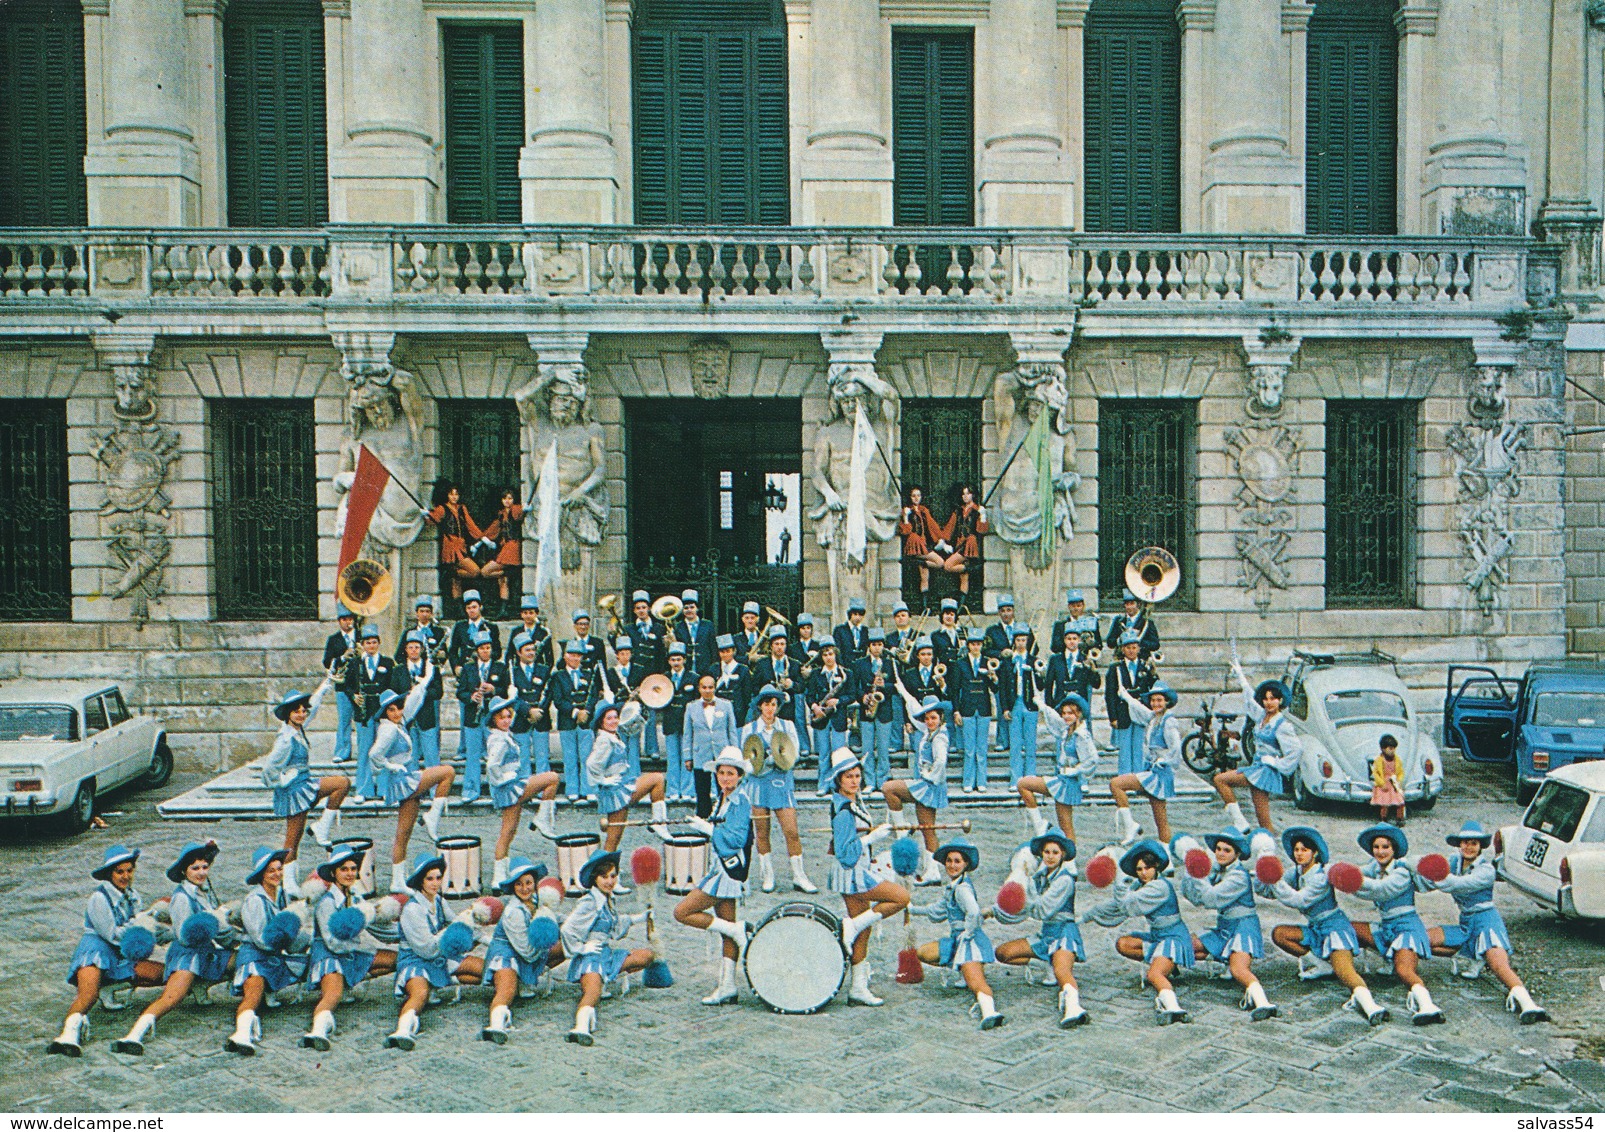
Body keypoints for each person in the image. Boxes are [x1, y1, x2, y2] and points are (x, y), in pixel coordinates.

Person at [1257, 826, 1390, 1024]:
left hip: (1335, 928)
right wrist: (1264, 866)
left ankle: (1371, 1006)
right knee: (1279, 934)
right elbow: (1267, 892)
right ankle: (1320, 965)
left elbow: (1298, 900)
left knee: (1345, 972)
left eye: (1304, 850)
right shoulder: (1297, 872)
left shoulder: (1321, 875)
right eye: (1296, 850)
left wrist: (1276, 881)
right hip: (1315, 928)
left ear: (1315, 852)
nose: (1300, 854)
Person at [112, 841, 235, 1055]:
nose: (201, 872)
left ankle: (199, 985)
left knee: (242, 959)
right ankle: (133, 1036)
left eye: (204, 867)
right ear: (184, 871)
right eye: (195, 868)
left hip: (204, 951)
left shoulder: (202, 891)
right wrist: (216, 919)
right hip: (188, 955)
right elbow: (185, 936)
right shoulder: (181, 897)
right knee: (171, 998)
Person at [1425, 821, 1548, 1023]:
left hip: (1486, 922)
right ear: (1459, 844)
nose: (1468, 847)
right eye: (1465, 842)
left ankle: (1528, 1005)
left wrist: (1434, 876)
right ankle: (1470, 957)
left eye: (1474, 843)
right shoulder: (1453, 861)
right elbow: (1427, 875)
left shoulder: (1486, 870)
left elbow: (1458, 884)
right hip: (1466, 922)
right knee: (1422, 940)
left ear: (1481, 846)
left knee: (1499, 965)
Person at [49, 846, 163, 1057]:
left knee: (157, 973)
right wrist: (142, 921)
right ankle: (67, 1035)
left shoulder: (132, 895)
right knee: (88, 996)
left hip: (119, 953)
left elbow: (136, 926)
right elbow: (111, 934)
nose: (125, 876)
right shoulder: (99, 898)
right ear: (110, 873)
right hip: (97, 950)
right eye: (119, 872)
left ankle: (109, 987)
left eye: (129, 871)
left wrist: (152, 918)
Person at [825, 748, 911, 1006]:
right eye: (848, 776)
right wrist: (870, 838)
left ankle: (858, 987)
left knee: (864, 930)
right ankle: (850, 927)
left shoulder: (852, 802)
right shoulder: (843, 811)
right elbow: (846, 854)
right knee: (901, 897)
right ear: (839, 780)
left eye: (857, 775)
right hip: (852, 874)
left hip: (856, 872)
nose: (854, 780)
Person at [675, 746, 758, 1006]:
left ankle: (737, 929)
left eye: (730, 773)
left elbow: (735, 839)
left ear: (740, 775)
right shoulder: (722, 797)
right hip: (720, 867)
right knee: (727, 934)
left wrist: (708, 829)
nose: (725, 778)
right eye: (721, 773)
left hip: (729, 869)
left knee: (682, 912)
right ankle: (728, 986)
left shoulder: (740, 800)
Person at [386, 851, 486, 1051]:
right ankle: (403, 1030)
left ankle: (444, 982)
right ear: (420, 881)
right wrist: (455, 928)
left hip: (439, 957)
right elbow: (427, 949)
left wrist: (482, 932)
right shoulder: (413, 909)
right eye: (429, 878)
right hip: (417, 960)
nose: (435, 883)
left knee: (486, 970)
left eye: (438, 877)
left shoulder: (438, 901)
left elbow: (455, 921)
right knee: (419, 994)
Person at [1348, 823, 1446, 1025]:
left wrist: (1351, 880)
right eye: (1376, 847)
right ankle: (1332, 966)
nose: (1380, 851)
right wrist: (1336, 872)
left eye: (1385, 847)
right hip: (1387, 928)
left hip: (1406, 928)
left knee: (1404, 971)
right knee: (1346, 928)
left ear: (1394, 850)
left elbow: (1380, 890)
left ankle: (1428, 1006)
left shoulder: (1401, 872)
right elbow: (1359, 873)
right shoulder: (1374, 867)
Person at [301, 843, 396, 1050]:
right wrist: (356, 944)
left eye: (353, 869)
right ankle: (317, 1031)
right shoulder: (326, 902)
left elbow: (375, 928)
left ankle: (348, 982)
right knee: (332, 995)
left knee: (395, 959)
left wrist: (402, 934)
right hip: (329, 955)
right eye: (344, 869)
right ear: (334, 873)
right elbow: (333, 943)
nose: (350, 873)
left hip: (350, 953)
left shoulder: (356, 897)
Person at [372, 655, 454, 891]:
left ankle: (397, 881)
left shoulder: (398, 723)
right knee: (447, 772)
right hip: (403, 779)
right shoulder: (388, 730)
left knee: (403, 832)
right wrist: (389, 767)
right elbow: (373, 755)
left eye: (398, 708)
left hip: (406, 777)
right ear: (384, 712)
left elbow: (415, 699)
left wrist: (427, 677)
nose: (397, 712)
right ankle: (432, 816)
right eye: (392, 709)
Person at [1178, 831, 1279, 1021]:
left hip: (1243, 928)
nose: (1220, 853)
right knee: (1186, 946)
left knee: (1238, 970)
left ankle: (1264, 1003)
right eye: (1217, 849)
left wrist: (1199, 875)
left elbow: (1210, 898)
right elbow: (1194, 898)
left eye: (1227, 850)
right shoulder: (1218, 870)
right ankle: (1222, 956)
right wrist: (1191, 870)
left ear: (1237, 854)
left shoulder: (1239, 877)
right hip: (1225, 927)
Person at [560, 851, 656, 1045]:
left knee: (646, 956)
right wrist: (582, 948)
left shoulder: (607, 899)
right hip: (591, 957)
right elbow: (568, 929)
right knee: (592, 993)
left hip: (606, 954)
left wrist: (639, 918)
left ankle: (605, 979)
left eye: (613, 876)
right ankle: (580, 1028)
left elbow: (614, 925)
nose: (610, 881)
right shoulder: (589, 902)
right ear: (594, 878)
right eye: (604, 877)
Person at [994, 831, 1089, 1028]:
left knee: (1063, 972)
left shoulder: (1065, 880)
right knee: (1003, 953)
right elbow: (1023, 910)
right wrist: (999, 908)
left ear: (1063, 854)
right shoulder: (1040, 877)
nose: (1050, 856)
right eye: (1047, 852)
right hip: (1046, 934)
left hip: (1064, 932)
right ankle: (1047, 963)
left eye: (1055, 852)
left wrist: (1024, 891)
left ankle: (1074, 1008)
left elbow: (1041, 909)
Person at [263, 681, 347, 896]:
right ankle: (288, 882)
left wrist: (326, 684)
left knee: (342, 783)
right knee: (293, 838)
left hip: (306, 784)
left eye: (302, 711)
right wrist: (280, 781)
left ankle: (322, 827)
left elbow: (314, 706)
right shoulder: (286, 738)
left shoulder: (298, 728)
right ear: (287, 714)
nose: (301, 714)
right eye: (296, 711)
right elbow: (269, 768)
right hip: (294, 791)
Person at [1096, 839, 1194, 1025]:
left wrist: (1117, 878)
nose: (1143, 873)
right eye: (1139, 869)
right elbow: (1119, 908)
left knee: (1153, 975)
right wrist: (1091, 915)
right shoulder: (1140, 885)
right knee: (1123, 943)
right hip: (1158, 936)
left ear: (1156, 866)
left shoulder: (1159, 887)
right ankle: (1166, 965)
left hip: (1173, 937)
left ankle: (1174, 1007)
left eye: (1147, 868)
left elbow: (1127, 903)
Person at [911, 839, 1005, 1029]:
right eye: (949, 861)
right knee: (923, 952)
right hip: (957, 939)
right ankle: (962, 969)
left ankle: (990, 1012)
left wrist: (968, 932)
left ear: (966, 864)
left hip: (969, 941)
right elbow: (938, 910)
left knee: (977, 984)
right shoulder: (954, 885)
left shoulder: (962, 889)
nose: (952, 865)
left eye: (957, 861)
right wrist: (912, 909)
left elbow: (974, 911)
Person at [225, 847, 301, 1055]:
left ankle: (271, 991)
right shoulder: (254, 901)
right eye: (271, 871)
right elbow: (261, 939)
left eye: (279, 869)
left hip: (274, 954)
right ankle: (241, 1034)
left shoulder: (283, 895)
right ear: (261, 875)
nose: (277, 874)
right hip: (255, 955)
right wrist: (284, 940)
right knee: (252, 995)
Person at [741, 685, 816, 894]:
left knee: (791, 831)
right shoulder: (749, 729)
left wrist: (779, 759)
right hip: (758, 784)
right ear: (760, 706)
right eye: (766, 704)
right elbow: (745, 759)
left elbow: (795, 754)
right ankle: (767, 875)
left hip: (781, 782)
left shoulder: (788, 725)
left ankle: (799, 876)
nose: (770, 709)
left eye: (774, 704)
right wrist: (761, 763)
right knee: (762, 832)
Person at [1215, 663, 1304, 833]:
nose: (1269, 702)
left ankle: (1240, 822)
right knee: (1264, 820)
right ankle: (1267, 844)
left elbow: (1296, 750)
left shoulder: (1282, 725)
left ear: (1281, 701)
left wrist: (1275, 762)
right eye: (1266, 698)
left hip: (1265, 771)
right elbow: (1249, 699)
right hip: (1257, 767)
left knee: (1220, 780)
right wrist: (1240, 677)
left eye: (1273, 699)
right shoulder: (1262, 716)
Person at [482, 856, 562, 1042]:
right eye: (519, 884)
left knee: (565, 946)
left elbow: (553, 917)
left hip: (525, 951)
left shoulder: (536, 900)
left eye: (528, 883)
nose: (525, 888)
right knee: (506, 991)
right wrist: (548, 937)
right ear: (513, 887)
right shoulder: (513, 912)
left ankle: (525, 981)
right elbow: (526, 950)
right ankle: (496, 1024)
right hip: (507, 955)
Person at [486, 694, 563, 884]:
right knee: (552, 778)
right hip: (510, 786)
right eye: (501, 717)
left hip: (511, 785)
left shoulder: (504, 736)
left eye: (508, 716)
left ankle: (499, 876)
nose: (506, 720)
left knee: (508, 831)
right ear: (494, 720)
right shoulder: (499, 739)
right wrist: (503, 780)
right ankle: (542, 819)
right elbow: (491, 766)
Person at [588, 702, 671, 858]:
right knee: (612, 841)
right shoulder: (604, 740)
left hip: (621, 787)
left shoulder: (612, 737)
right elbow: (591, 764)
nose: (614, 721)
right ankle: (600, 874)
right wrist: (603, 781)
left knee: (614, 839)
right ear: (601, 722)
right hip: (616, 792)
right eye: (609, 719)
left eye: (616, 717)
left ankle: (659, 822)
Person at [886, 690, 951, 885]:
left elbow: (941, 760)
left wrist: (930, 777)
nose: (929, 721)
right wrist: (903, 690)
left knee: (889, 789)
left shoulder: (939, 737)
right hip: (927, 784)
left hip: (930, 785)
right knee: (927, 829)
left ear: (940, 718)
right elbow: (913, 704)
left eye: (933, 717)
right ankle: (933, 872)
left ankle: (902, 830)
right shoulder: (929, 732)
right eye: (927, 718)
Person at [1018, 694, 1100, 840]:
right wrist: (1041, 705)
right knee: (1023, 784)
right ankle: (1040, 825)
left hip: (1069, 782)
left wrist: (1075, 770)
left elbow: (1092, 759)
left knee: (1066, 827)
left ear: (1079, 714)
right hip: (1061, 779)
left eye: (1070, 713)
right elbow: (1053, 718)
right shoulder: (1066, 729)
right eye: (1064, 713)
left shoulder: (1081, 735)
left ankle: (1068, 858)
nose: (1066, 716)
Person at [1109, 682, 1182, 844]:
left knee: (1117, 784)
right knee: (1159, 817)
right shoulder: (1154, 718)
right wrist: (1126, 696)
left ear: (1167, 702)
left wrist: (1164, 760)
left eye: (1159, 700)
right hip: (1151, 769)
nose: (1156, 704)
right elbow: (1139, 708)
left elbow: (1176, 748)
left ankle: (1133, 828)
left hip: (1161, 772)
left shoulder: (1168, 722)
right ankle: (1135, 829)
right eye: (1153, 700)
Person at [342, 623, 394, 801]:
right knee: (364, 750)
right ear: (362, 645)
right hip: (363, 713)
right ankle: (363, 790)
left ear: (379, 643)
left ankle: (384, 788)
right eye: (367, 643)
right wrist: (354, 696)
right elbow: (346, 685)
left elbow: (392, 687)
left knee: (383, 750)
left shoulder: (387, 662)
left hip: (382, 712)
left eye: (374, 642)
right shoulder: (355, 663)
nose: (371, 646)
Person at [457, 629, 509, 802]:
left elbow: (508, 690)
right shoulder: (468, 668)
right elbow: (460, 692)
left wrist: (494, 690)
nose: (485, 651)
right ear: (476, 651)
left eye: (488, 648)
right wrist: (471, 697)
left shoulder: (500, 668)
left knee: (496, 756)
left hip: (493, 719)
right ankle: (471, 790)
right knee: (472, 756)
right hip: (474, 717)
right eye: (482, 648)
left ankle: (498, 791)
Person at [683, 670, 739, 817]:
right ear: (699, 688)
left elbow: (731, 731)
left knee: (725, 788)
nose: (707, 690)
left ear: (715, 688)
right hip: (701, 754)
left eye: (710, 687)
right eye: (704, 687)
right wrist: (687, 756)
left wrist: (735, 754)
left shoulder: (726, 705)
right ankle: (703, 819)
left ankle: (724, 817)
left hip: (722, 753)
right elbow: (688, 734)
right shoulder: (691, 707)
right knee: (702, 790)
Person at [550, 639, 599, 801]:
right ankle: (572, 788)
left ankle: (588, 788)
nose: (575, 658)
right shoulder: (558, 676)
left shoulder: (589, 674)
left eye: (578, 655)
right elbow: (558, 700)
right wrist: (575, 712)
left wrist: (587, 711)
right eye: (572, 655)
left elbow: (592, 696)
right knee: (570, 757)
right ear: (565, 656)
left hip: (585, 721)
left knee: (587, 757)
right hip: (567, 721)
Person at [852, 628, 899, 793]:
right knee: (867, 749)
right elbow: (854, 687)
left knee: (884, 748)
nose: (877, 648)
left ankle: (883, 780)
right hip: (867, 711)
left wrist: (883, 686)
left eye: (880, 644)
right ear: (869, 646)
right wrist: (862, 697)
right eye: (874, 645)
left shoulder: (890, 663)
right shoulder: (860, 664)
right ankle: (869, 781)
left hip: (884, 710)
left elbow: (896, 687)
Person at [998, 625, 1045, 784]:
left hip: (1030, 705)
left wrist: (1038, 672)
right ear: (1014, 641)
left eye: (1024, 640)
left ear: (1028, 641)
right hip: (1014, 705)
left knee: (1030, 743)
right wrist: (1005, 708)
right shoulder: (1008, 661)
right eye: (1018, 640)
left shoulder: (1033, 660)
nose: (1021, 643)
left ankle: (1030, 777)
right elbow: (1002, 688)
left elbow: (1040, 686)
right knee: (1016, 744)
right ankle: (1015, 778)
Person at [393, 627, 443, 769]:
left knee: (432, 757)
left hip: (426, 717)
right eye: (410, 647)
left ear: (421, 649)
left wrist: (420, 693)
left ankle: (435, 791)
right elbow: (394, 693)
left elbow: (438, 692)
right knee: (410, 758)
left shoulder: (431, 669)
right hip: (407, 720)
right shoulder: (398, 671)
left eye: (417, 647)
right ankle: (413, 790)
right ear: (406, 650)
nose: (414, 650)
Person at [1104, 631, 1154, 775]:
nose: (1131, 651)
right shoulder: (1116, 668)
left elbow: (1152, 688)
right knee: (1125, 748)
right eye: (1128, 647)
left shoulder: (1145, 667)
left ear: (1139, 649)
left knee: (1138, 747)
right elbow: (1110, 695)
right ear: (1122, 649)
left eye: (1134, 647)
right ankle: (1124, 779)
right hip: (1123, 712)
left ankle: (1138, 778)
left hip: (1139, 711)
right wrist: (1112, 717)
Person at [946, 630, 990, 790]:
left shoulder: (988, 662)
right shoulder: (960, 664)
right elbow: (955, 689)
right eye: (973, 644)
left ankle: (982, 782)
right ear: (968, 646)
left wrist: (993, 677)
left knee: (982, 748)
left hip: (983, 708)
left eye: (979, 644)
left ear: (982, 645)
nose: (976, 647)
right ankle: (968, 782)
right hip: (967, 708)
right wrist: (956, 711)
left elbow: (995, 687)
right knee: (969, 749)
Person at [428, 480, 487, 599]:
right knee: (474, 571)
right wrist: (427, 514)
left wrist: (482, 537)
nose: (454, 497)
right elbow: (432, 521)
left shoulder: (462, 508)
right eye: (451, 494)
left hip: (461, 544)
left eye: (456, 494)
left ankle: (458, 610)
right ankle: (450, 573)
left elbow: (470, 525)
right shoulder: (442, 508)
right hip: (450, 544)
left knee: (457, 580)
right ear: (447, 495)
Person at [660, 643, 701, 803]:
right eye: (673, 659)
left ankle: (688, 790)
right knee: (672, 757)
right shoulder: (663, 678)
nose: (676, 663)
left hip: (687, 722)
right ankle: (672, 791)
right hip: (670, 722)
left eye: (679, 659)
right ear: (669, 661)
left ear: (684, 660)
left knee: (687, 756)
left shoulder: (693, 677)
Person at [508, 632, 552, 778]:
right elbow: (512, 697)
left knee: (542, 757)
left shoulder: (544, 670)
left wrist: (538, 712)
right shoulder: (511, 672)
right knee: (522, 757)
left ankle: (543, 788)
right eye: (527, 650)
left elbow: (549, 693)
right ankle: (526, 789)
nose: (531, 653)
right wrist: (527, 711)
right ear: (518, 652)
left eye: (533, 649)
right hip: (521, 719)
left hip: (541, 719)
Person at [321, 605, 359, 767]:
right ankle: (342, 752)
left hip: (360, 683)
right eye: (344, 619)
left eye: (350, 619)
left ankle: (366, 750)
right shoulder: (334, 639)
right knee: (344, 719)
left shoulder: (362, 636)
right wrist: (342, 657)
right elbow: (326, 662)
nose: (347, 622)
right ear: (339, 621)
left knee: (362, 720)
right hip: (343, 685)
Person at [805, 641, 854, 765]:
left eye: (831, 654)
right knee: (823, 755)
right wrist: (815, 707)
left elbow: (852, 695)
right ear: (821, 657)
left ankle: (838, 783)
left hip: (839, 718)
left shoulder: (847, 673)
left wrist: (838, 701)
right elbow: (809, 696)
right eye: (825, 655)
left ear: (835, 654)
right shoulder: (815, 674)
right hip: (821, 718)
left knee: (839, 754)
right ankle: (823, 784)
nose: (828, 657)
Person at [604, 636, 645, 776]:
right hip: (619, 711)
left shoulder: (639, 669)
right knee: (620, 744)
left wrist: (638, 692)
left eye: (627, 653)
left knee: (634, 745)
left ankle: (634, 776)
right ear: (617, 655)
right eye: (622, 653)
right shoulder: (611, 672)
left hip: (634, 711)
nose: (625, 656)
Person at [899, 485, 949, 598]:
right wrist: (906, 517)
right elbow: (906, 531)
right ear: (910, 497)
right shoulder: (907, 511)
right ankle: (917, 561)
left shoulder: (923, 510)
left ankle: (924, 606)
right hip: (914, 544)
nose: (916, 498)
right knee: (940, 562)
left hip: (924, 544)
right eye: (913, 496)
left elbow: (932, 526)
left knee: (924, 576)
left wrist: (941, 540)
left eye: (918, 495)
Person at [1043, 625, 1101, 716]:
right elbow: (1048, 684)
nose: (1072, 642)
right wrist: (1050, 707)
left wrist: (1092, 670)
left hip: (1079, 705)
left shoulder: (1086, 658)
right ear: (1064, 640)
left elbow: (1096, 684)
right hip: (1060, 704)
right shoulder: (1055, 659)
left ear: (1079, 640)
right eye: (1069, 639)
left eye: (1074, 638)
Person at [940, 484, 987, 595]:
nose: (965, 496)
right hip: (959, 544)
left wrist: (983, 516)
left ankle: (972, 568)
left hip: (970, 545)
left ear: (973, 495)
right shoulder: (958, 511)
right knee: (963, 578)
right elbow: (949, 527)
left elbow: (982, 530)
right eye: (963, 494)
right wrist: (943, 540)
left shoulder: (977, 510)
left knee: (948, 566)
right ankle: (962, 605)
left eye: (968, 493)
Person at [480, 488, 524, 606]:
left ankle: (508, 572)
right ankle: (503, 609)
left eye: (510, 498)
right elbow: (492, 529)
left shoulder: (514, 509)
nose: (507, 501)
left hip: (512, 546)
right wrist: (481, 539)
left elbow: (518, 514)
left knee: (485, 571)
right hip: (505, 547)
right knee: (502, 581)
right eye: (505, 498)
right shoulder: (501, 514)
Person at [448, 589, 501, 672]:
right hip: (465, 669)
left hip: (485, 669)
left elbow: (497, 652)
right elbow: (453, 651)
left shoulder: (491, 627)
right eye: (468, 608)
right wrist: (456, 667)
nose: (471, 610)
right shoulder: (460, 626)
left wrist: (482, 656)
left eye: (474, 607)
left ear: (480, 607)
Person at [708, 633, 752, 724]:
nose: (725, 655)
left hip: (737, 715)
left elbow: (746, 695)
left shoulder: (743, 669)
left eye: (728, 651)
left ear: (734, 651)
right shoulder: (713, 669)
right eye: (722, 652)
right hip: (718, 714)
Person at [1050, 589, 1102, 661]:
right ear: (1069, 606)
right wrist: (1072, 644)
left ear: (1083, 606)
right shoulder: (1060, 625)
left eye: (1078, 606)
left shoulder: (1091, 623)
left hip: (1086, 661)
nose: (1076, 609)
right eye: (1073, 606)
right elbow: (1054, 647)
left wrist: (1091, 643)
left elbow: (1100, 645)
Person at [1106, 591, 1160, 660]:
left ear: (1138, 605)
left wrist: (1137, 641)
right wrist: (1120, 639)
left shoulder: (1147, 622)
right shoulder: (1118, 621)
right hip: (1122, 661)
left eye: (1132, 604)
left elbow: (1155, 645)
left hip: (1141, 660)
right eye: (1127, 604)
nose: (1129, 607)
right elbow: (1110, 642)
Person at [506, 594, 552, 669]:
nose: (528, 616)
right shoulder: (516, 631)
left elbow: (549, 658)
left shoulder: (543, 632)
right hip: (520, 671)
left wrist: (544, 673)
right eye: (525, 613)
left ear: (536, 614)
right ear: (521, 614)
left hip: (538, 672)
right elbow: (510, 654)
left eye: (531, 613)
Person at [1371, 734, 1407, 825]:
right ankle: (1383, 818)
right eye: (1390, 748)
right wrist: (1381, 783)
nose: (1392, 751)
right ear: (1383, 749)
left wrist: (1398, 780)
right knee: (1385, 802)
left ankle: (1400, 818)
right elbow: (1375, 773)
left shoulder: (1397, 760)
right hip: (1384, 783)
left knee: (1400, 800)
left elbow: (1401, 772)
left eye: (1394, 748)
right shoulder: (1379, 760)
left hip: (1394, 783)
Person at [677, 589, 716, 674]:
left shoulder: (708, 625)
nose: (689, 610)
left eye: (692, 607)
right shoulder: (678, 626)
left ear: (697, 608)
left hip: (705, 666)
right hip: (685, 667)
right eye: (686, 608)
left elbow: (713, 647)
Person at [833, 598, 870, 667]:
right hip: (845, 667)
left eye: (860, 615)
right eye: (855, 614)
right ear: (850, 614)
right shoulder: (840, 630)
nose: (858, 617)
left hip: (861, 669)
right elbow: (837, 651)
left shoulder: (866, 631)